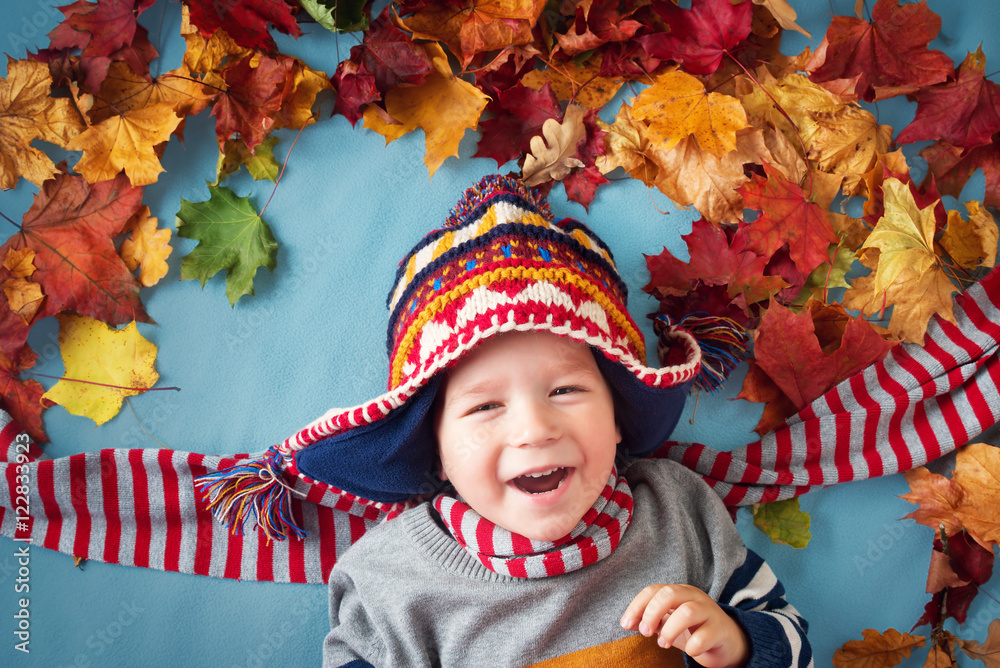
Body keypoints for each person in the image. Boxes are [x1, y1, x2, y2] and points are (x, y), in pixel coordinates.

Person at [306, 174, 811, 667]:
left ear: (617, 416)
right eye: (485, 407)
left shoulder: (677, 513)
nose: (534, 430)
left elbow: (791, 640)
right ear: (435, 451)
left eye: (565, 390)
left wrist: (738, 643)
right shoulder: (392, 583)